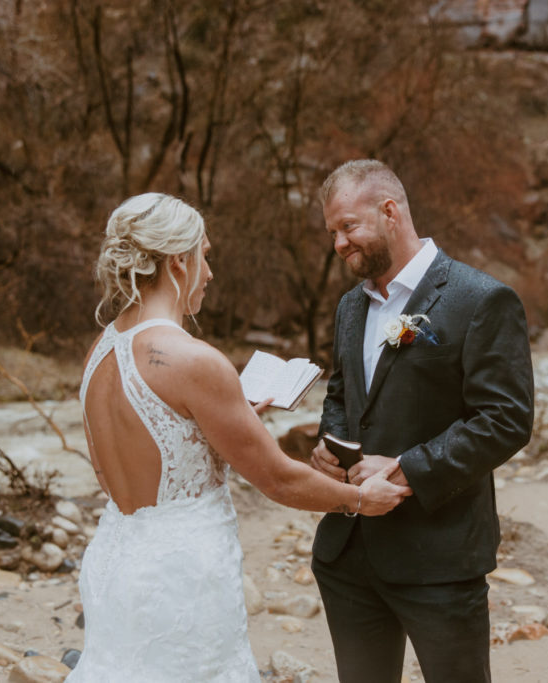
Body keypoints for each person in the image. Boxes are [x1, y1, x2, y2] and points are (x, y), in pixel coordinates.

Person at [66, 192, 411, 683]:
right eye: (204, 256)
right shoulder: (193, 360)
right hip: (181, 572)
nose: (208, 272)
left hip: (114, 561)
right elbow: (277, 478)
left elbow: (115, 465)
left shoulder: (100, 350)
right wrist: (358, 497)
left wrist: (221, 419)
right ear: (177, 261)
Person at [309, 160, 534, 683]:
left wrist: (407, 469)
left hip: (441, 557)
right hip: (349, 557)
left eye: (348, 227)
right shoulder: (350, 307)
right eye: (332, 233)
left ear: (390, 212)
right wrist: (331, 445)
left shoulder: (480, 299)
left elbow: (506, 418)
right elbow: (342, 394)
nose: (339, 243)